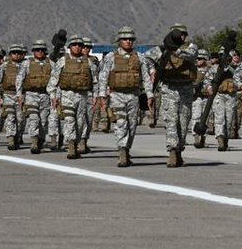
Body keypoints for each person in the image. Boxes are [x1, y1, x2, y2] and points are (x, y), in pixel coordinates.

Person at [99, 27, 152, 167]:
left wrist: (149, 95)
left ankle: (126, 149)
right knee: (120, 123)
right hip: (116, 95)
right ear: (119, 41)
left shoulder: (139, 57)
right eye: (125, 39)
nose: (128, 41)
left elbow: (146, 77)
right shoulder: (111, 57)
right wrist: (102, 95)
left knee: (132, 125)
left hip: (133, 95)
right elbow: (103, 77)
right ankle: (122, 151)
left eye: (130, 39)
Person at [49, 35, 99, 159]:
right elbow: (54, 79)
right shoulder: (63, 61)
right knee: (69, 120)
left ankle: (76, 142)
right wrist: (53, 95)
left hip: (82, 96)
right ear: (70, 47)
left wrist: (96, 96)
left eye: (79, 45)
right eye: (74, 45)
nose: (77, 47)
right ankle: (71, 146)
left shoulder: (88, 62)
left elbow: (95, 81)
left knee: (80, 123)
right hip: (67, 95)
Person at [154, 30, 198, 167]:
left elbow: (191, 56)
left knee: (183, 123)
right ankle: (172, 152)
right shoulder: (162, 50)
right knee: (171, 121)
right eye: (178, 35)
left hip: (185, 89)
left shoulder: (191, 47)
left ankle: (179, 151)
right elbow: (146, 58)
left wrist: (175, 50)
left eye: (184, 34)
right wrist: (152, 70)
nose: (182, 37)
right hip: (169, 88)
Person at [18, 41, 54, 153]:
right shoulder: (26, 64)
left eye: (42, 50)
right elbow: (19, 79)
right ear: (33, 51)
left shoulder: (51, 64)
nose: (40, 52)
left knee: (43, 121)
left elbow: (54, 80)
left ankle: (40, 140)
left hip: (45, 95)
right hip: (31, 94)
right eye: (37, 50)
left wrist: (54, 96)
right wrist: (20, 95)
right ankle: (33, 142)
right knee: (34, 118)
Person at [0, 45, 26, 150]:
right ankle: (11, 139)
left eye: (18, 53)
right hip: (8, 95)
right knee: (10, 117)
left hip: (22, 96)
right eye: (14, 53)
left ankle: (18, 136)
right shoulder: (3, 67)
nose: (16, 55)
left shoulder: (25, 66)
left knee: (21, 119)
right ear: (10, 54)